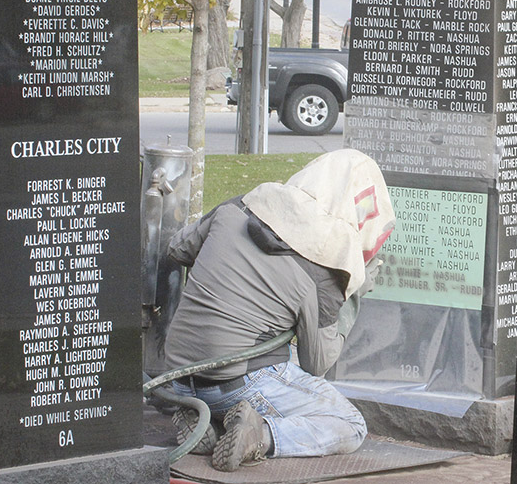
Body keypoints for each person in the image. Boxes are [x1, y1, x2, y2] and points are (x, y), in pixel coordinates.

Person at [162, 149, 395, 471]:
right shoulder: (328, 267)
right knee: (349, 423)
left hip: (178, 375)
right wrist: (352, 295)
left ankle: (202, 418)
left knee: (261, 358)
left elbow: (177, 248)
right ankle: (261, 435)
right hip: (237, 383)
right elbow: (318, 363)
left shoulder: (242, 205)